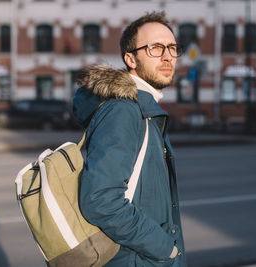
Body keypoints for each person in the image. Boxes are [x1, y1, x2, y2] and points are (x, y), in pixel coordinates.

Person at [72, 11, 187, 267]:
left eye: (172, 48)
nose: (167, 56)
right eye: (155, 48)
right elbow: (100, 201)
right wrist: (165, 248)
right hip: (135, 259)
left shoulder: (144, 109)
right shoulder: (125, 110)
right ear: (130, 58)